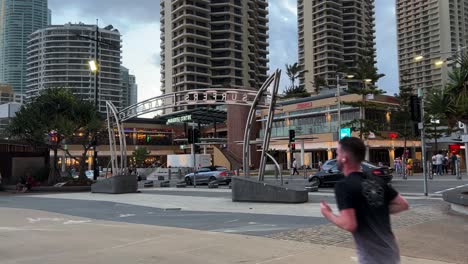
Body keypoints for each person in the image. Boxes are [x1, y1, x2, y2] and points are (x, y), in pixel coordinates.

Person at [320, 137, 409, 264]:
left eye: (338, 153)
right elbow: (403, 204)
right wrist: (374, 209)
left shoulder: (344, 186)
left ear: (344, 157)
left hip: (372, 258)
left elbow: (349, 224)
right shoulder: (376, 180)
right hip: (391, 253)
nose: (337, 157)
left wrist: (327, 213)